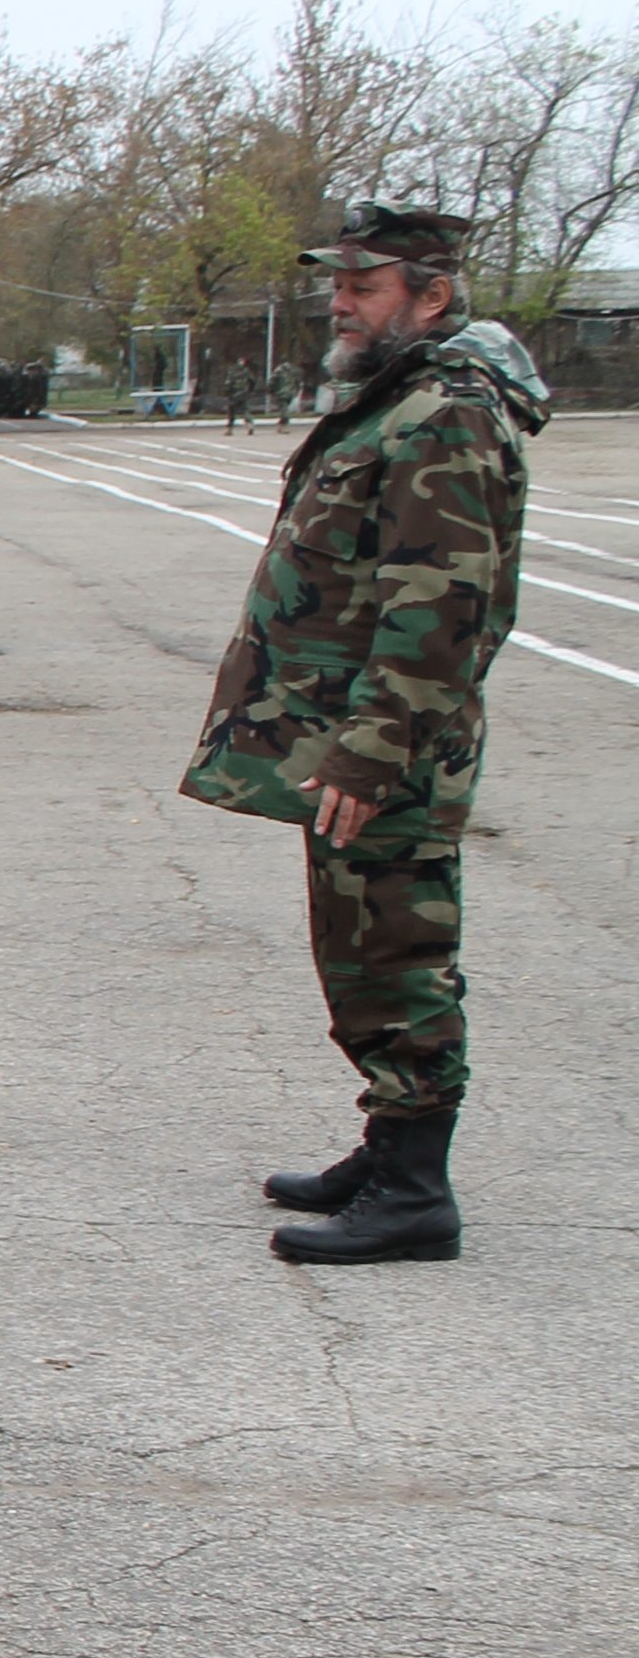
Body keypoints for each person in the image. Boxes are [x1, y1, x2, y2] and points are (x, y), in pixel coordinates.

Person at [188, 205, 547, 1267]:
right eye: (337, 285)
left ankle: (413, 1193)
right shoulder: (402, 397)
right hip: (346, 736)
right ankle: (387, 1146)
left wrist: (373, 749)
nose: (338, 304)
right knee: (358, 948)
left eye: (362, 286)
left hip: (386, 747)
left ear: (430, 297)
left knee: (396, 955)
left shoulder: (447, 414)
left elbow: (441, 604)